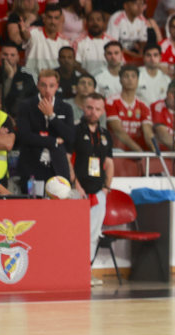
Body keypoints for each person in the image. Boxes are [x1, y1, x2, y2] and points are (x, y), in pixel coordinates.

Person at [72, 92, 113, 275]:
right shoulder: (74, 130)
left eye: (97, 109)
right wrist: (76, 185)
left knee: (94, 234)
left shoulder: (105, 134)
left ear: (103, 111)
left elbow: (110, 163)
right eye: (89, 108)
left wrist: (106, 188)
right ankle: (72, 271)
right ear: (82, 107)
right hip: (77, 191)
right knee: (75, 233)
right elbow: (67, 160)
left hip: (98, 192)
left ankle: (86, 271)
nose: (93, 112)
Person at [17, 70, 75, 197]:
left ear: (57, 86)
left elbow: (70, 137)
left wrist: (51, 116)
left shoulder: (65, 108)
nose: (47, 90)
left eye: (51, 85)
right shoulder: (25, 106)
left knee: (58, 208)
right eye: (43, 85)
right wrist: (53, 141)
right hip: (32, 166)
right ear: (37, 85)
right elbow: (24, 136)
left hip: (58, 167)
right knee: (32, 206)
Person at [106, 66, 153, 152]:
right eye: (126, 76)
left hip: (138, 152)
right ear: (120, 80)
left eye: (133, 76)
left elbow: (148, 132)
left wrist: (154, 150)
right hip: (117, 151)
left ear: (138, 80)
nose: (130, 79)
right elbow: (118, 131)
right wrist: (139, 151)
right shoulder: (111, 102)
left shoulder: (143, 105)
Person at [21, 5, 71, 76]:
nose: (52, 21)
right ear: (44, 18)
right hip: (31, 79)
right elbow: (26, 36)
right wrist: (23, 30)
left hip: (54, 82)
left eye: (56, 18)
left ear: (60, 20)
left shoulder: (65, 42)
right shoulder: (34, 32)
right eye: (50, 17)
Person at [74, 11, 114, 77]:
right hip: (86, 81)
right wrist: (90, 78)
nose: (95, 23)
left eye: (98, 19)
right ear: (86, 23)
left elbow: (119, 63)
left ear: (104, 23)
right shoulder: (78, 42)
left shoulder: (112, 42)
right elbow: (75, 65)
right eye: (91, 20)